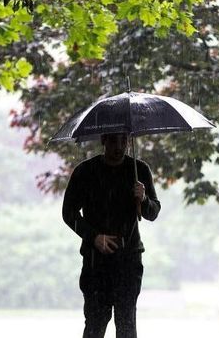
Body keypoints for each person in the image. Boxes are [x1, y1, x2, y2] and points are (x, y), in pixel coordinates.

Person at [62, 133, 161, 338]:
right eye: (114, 141)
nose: (120, 146)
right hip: (95, 260)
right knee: (95, 325)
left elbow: (153, 212)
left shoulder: (139, 170)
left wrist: (142, 199)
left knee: (126, 325)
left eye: (124, 141)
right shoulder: (86, 171)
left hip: (129, 259)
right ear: (103, 140)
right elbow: (68, 212)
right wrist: (94, 237)